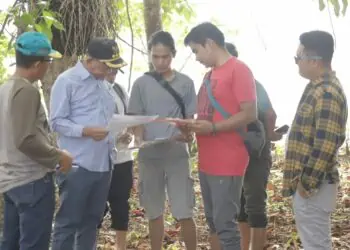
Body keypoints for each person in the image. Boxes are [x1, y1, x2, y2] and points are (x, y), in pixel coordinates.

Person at [182, 22, 257, 250]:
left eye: (196, 50)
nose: (196, 57)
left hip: (228, 160)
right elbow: (207, 115)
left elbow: (249, 113)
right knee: (214, 221)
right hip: (207, 161)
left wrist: (213, 129)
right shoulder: (209, 76)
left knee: (226, 224)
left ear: (210, 44)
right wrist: (190, 126)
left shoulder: (239, 70)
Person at [50, 38, 125, 250]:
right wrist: (85, 131)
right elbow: (56, 122)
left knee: (92, 222)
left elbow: (107, 118)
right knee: (68, 223)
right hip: (77, 165)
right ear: (90, 60)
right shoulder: (67, 81)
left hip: (104, 164)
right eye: (106, 65)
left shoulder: (104, 84)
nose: (110, 70)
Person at [0, 31, 72, 250]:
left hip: (10, 180)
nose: (49, 66)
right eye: (48, 61)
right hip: (31, 180)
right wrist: (58, 156)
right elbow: (25, 139)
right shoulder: (27, 91)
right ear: (38, 64)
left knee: (10, 242)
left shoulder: (4, 89)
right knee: (34, 245)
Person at [128, 31, 197, 250]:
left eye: (165, 57)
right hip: (149, 155)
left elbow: (190, 121)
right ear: (150, 55)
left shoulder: (185, 83)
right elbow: (136, 120)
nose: (160, 61)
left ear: (173, 55)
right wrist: (137, 139)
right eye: (156, 57)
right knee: (153, 210)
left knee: (184, 209)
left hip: (176, 153)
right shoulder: (141, 84)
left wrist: (185, 134)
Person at [283, 30, 347, 250]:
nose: (297, 63)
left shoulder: (327, 92)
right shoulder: (317, 87)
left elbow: (325, 144)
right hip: (312, 186)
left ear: (314, 60)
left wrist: (305, 183)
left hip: (314, 186)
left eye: (297, 58)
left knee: (317, 245)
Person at [225, 42, 285, 250]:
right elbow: (270, 114)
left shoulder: (250, 83)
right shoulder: (244, 83)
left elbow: (269, 113)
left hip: (253, 153)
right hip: (239, 153)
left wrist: (268, 135)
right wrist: (270, 134)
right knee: (244, 203)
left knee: (252, 204)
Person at [99, 68, 134, 250]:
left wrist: (128, 133)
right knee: (97, 205)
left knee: (121, 203)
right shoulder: (92, 91)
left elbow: (127, 118)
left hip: (123, 157)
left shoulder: (119, 89)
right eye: (109, 69)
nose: (112, 73)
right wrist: (112, 138)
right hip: (100, 158)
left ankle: (121, 246)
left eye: (115, 70)